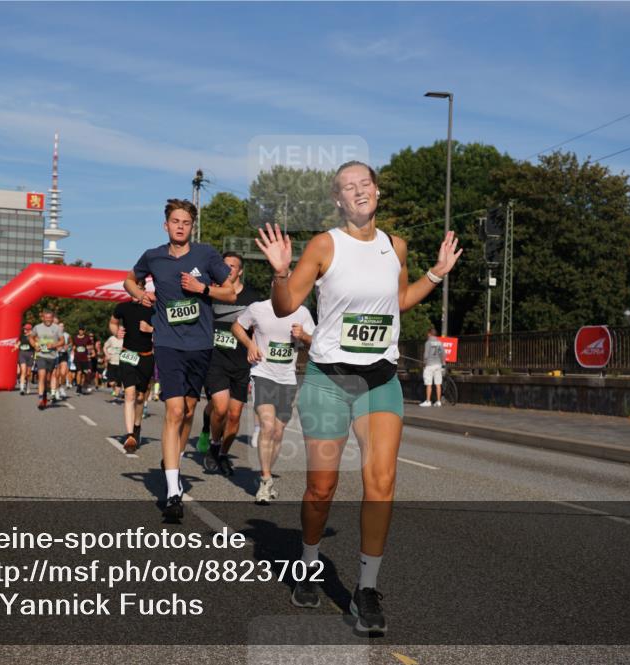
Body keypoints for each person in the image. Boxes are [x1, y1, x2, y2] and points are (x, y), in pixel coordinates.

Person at [255, 161, 462, 632]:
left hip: (380, 381)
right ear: (338, 200)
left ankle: (366, 590)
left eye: (365, 183)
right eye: (348, 187)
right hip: (329, 380)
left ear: (377, 191)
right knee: (322, 488)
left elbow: (398, 301)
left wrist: (435, 273)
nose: (359, 191)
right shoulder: (324, 245)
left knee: (381, 482)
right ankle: (308, 561)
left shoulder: (396, 246)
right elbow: (286, 306)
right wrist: (281, 273)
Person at [123, 198, 237, 521]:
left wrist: (203, 288)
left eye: (186, 222)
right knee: (174, 410)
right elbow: (129, 280)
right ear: (166, 225)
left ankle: (173, 457)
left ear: (192, 227)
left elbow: (230, 292)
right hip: (168, 343)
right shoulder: (153, 257)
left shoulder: (206, 255)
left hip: (200, 344)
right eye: (175, 221)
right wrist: (140, 294)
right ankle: (173, 492)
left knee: (188, 410)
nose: (180, 227)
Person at [231, 297, 314, 504]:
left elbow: (316, 342)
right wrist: (250, 344)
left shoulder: (302, 312)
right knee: (267, 426)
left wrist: (304, 336)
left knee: (278, 432)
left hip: (288, 378)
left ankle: (267, 474)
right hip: (262, 373)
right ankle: (265, 479)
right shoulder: (258, 308)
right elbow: (237, 327)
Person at [197, 252, 261, 476]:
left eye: (233, 266)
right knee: (221, 407)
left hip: (241, 362)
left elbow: (259, 328)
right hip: (215, 359)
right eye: (225, 266)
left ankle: (222, 453)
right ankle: (214, 443)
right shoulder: (212, 294)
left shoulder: (253, 298)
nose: (229, 269)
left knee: (234, 415)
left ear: (240, 271)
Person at [111, 281, 155, 452]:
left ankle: (137, 427)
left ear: (144, 290)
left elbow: (166, 330)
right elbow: (113, 323)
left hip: (146, 357)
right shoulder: (122, 307)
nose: (136, 292)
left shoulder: (153, 309)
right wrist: (116, 331)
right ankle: (130, 435)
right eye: (133, 289)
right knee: (129, 394)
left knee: (140, 397)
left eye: (139, 289)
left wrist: (151, 329)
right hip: (128, 354)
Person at [30, 309, 63, 409]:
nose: (48, 320)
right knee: (41, 375)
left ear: (53, 318)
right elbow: (31, 337)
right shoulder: (37, 327)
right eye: (46, 318)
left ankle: (45, 392)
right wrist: (34, 345)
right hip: (41, 355)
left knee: (48, 380)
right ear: (43, 318)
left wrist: (53, 345)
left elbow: (62, 341)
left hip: (52, 356)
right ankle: (41, 399)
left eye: (50, 318)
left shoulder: (57, 328)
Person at [421, 327, 445, 407]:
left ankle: (428, 401)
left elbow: (426, 355)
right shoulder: (439, 342)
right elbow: (443, 354)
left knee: (429, 384)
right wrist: (443, 364)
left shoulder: (428, 343)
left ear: (429, 334)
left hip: (429, 365)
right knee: (438, 384)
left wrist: (424, 364)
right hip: (438, 365)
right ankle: (438, 401)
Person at [73, 326, 95, 394]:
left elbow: (91, 346)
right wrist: (73, 350)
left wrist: (90, 350)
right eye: (80, 330)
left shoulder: (87, 338)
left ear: (84, 331)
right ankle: (78, 387)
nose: (81, 331)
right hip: (77, 358)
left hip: (85, 359)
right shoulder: (75, 337)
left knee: (85, 374)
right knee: (79, 372)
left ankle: (82, 386)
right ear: (78, 330)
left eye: (82, 330)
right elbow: (74, 346)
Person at [55, 317, 72, 399]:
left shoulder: (67, 335)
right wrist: (56, 347)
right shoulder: (54, 334)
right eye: (60, 326)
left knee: (63, 373)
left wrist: (68, 346)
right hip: (56, 355)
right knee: (57, 374)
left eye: (62, 326)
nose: (61, 327)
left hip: (64, 354)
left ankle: (61, 388)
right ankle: (56, 390)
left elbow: (71, 343)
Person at [104, 328, 124, 398]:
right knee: (111, 383)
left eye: (123, 331)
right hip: (112, 363)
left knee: (119, 380)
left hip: (121, 363)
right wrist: (107, 355)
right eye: (120, 330)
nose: (121, 332)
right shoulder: (111, 339)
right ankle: (115, 390)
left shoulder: (125, 340)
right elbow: (105, 347)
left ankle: (116, 395)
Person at [18, 323, 35, 395]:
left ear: (30, 330)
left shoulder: (33, 337)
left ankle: (27, 384)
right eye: (24, 329)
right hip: (22, 354)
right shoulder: (21, 336)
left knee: (28, 373)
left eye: (26, 329)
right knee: (23, 371)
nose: (25, 330)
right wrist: (15, 346)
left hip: (30, 354)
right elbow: (18, 343)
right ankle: (22, 388)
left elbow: (35, 344)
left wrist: (31, 336)